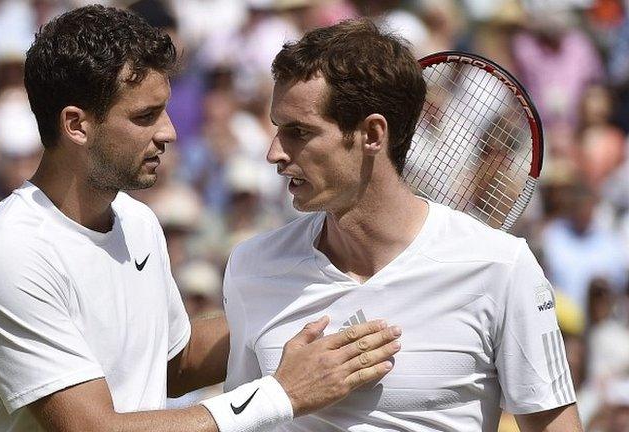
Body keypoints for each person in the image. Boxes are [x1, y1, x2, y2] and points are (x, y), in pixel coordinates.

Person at [0, 6, 402, 432]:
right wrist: (281, 393)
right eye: (145, 116)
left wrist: (304, 306)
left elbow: (171, 363)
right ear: (76, 125)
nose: (169, 131)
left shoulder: (137, 223)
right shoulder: (7, 254)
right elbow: (95, 428)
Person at [222, 18, 583, 432]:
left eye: (299, 132)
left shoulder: (503, 267)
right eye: (276, 129)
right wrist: (285, 394)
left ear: (372, 134)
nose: (274, 153)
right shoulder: (251, 266)